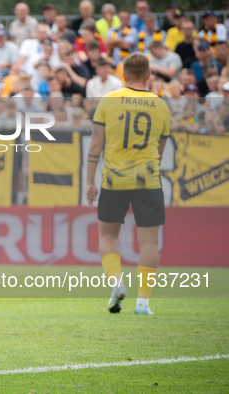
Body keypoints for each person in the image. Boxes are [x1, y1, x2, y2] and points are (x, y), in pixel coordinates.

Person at [86, 53, 170, 316]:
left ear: (122, 75)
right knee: (148, 243)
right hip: (148, 180)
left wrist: (90, 181)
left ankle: (116, 281)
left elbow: (96, 146)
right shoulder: (161, 105)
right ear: (149, 76)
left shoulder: (108, 101)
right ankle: (143, 303)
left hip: (114, 179)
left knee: (107, 236)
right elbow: (159, 150)